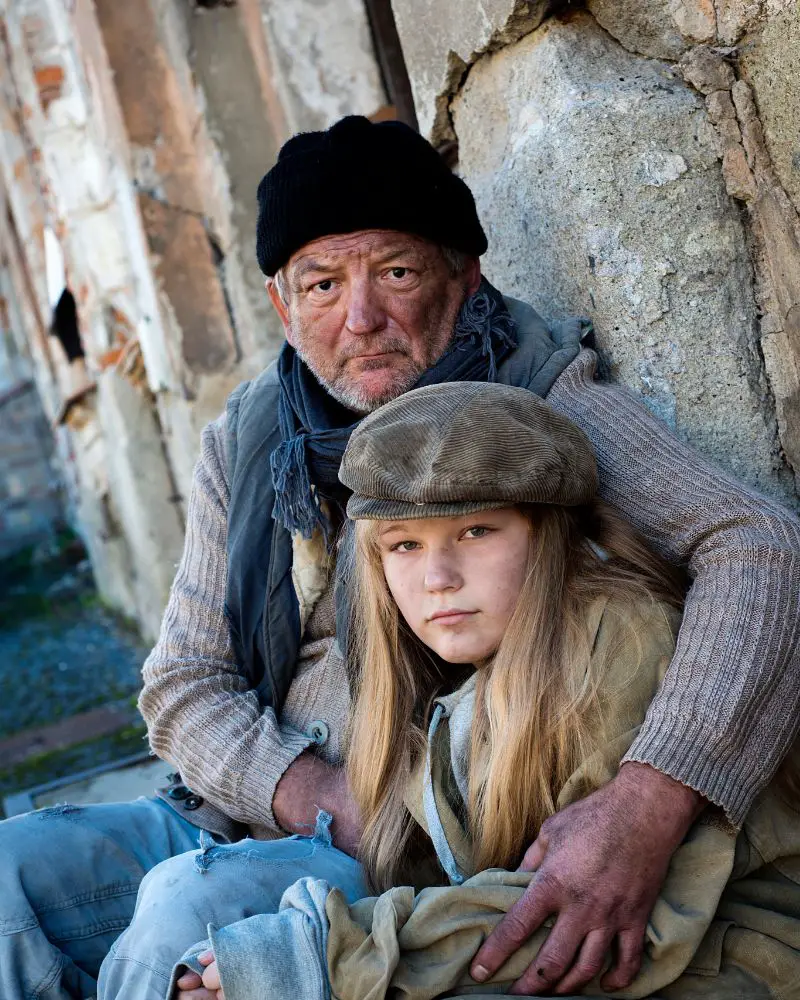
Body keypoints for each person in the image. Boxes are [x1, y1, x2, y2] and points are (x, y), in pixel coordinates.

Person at [2, 113, 800, 1000]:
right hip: (265, 810)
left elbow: (758, 546)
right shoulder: (251, 436)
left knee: (186, 914)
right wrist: (319, 795)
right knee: (11, 880)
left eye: (395, 272)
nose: (362, 318)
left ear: (465, 276)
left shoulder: (537, 406)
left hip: (418, 851)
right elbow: (185, 683)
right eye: (321, 285)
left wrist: (652, 800)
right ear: (281, 305)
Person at [186, 382, 800, 1000]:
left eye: (477, 531)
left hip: (731, 955)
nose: (438, 578)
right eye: (405, 544)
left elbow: (577, 911)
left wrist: (332, 955)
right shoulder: (454, 682)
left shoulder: (619, 641)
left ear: (549, 536)